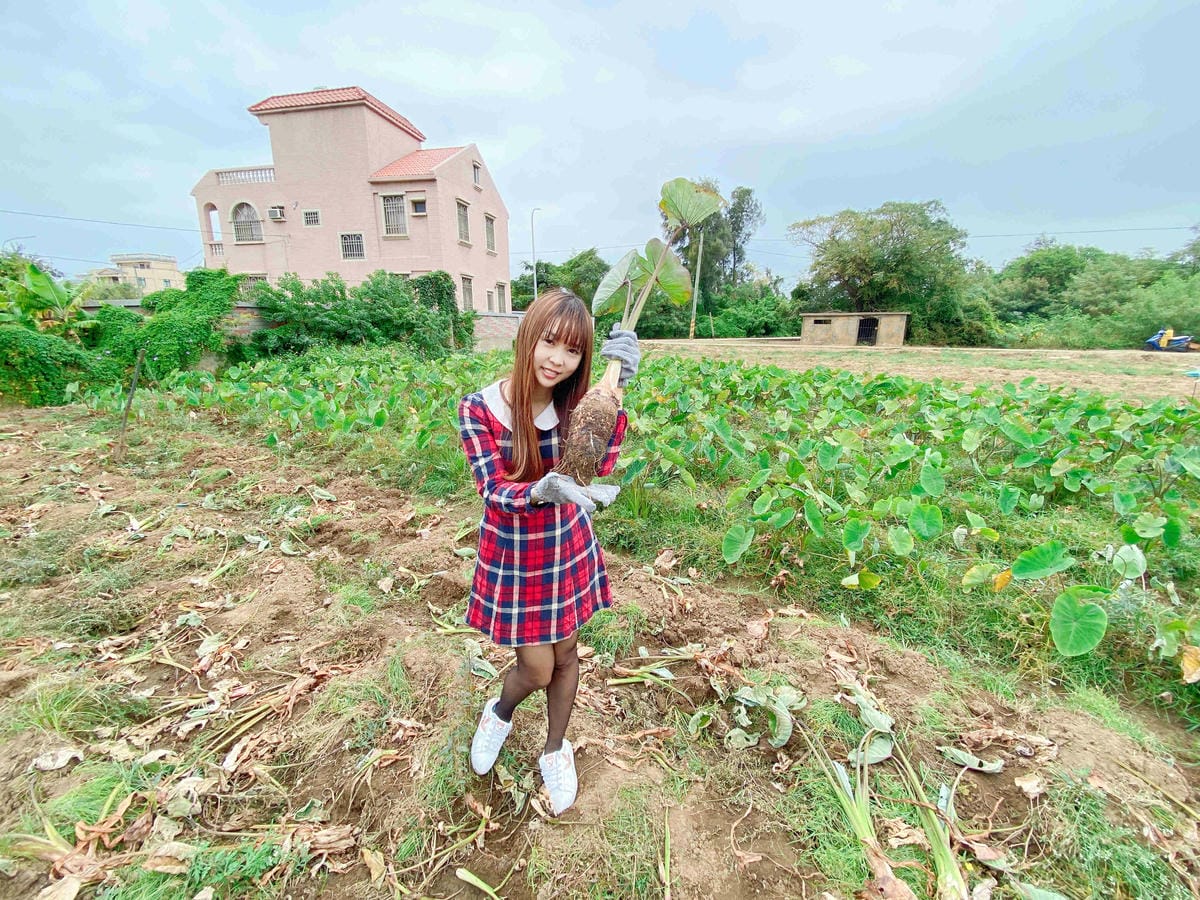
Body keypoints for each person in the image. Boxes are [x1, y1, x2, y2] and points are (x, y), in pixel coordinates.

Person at [457, 287, 640, 816]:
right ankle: (500, 710)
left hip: (567, 547)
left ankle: (555, 749)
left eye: (573, 351)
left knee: (566, 657)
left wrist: (614, 394)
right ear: (526, 336)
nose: (557, 360)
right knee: (536, 669)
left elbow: (599, 466)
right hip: (514, 555)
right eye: (549, 342)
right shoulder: (480, 410)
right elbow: (492, 489)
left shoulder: (575, 406)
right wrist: (540, 490)